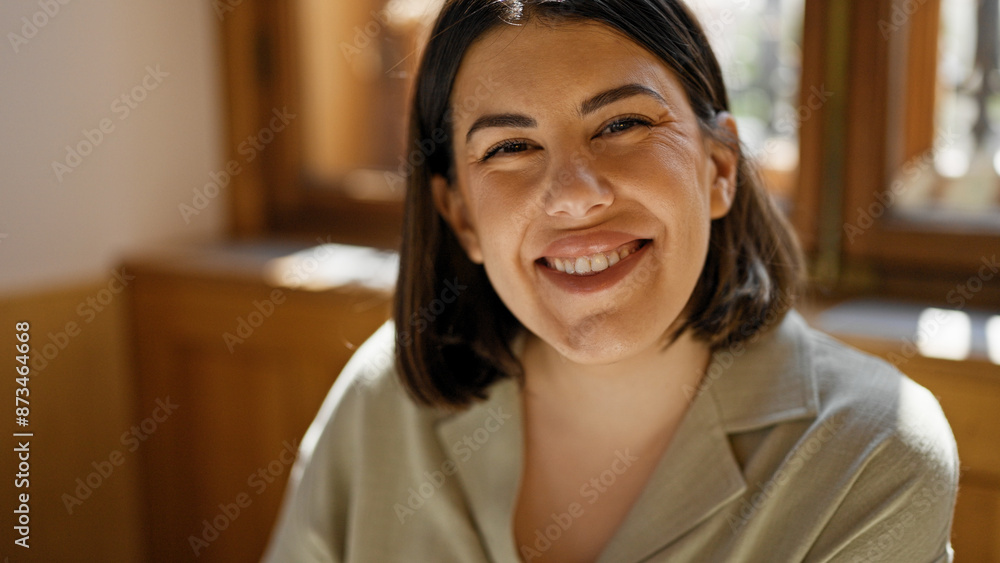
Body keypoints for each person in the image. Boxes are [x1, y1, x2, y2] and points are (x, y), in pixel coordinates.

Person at [263, 1, 959, 561]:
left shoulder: (871, 456)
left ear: (719, 169)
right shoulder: (382, 397)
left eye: (622, 123)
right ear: (462, 218)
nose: (573, 193)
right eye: (510, 147)